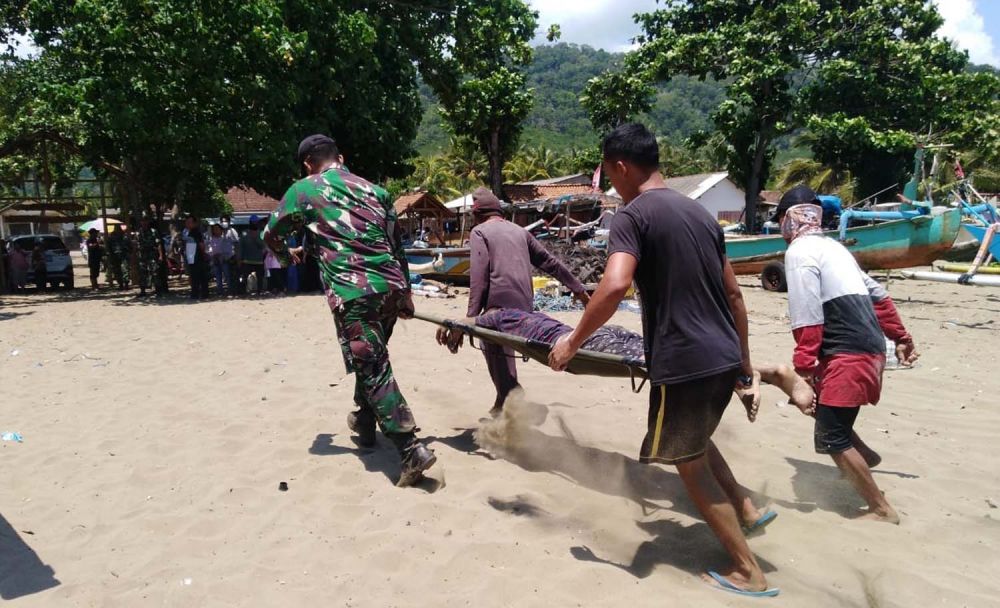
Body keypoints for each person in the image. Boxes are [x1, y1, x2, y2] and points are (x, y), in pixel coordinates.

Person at [548, 123, 777, 597]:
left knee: (685, 459)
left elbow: (614, 286)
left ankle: (747, 571)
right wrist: (744, 365)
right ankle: (748, 509)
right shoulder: (700, 215)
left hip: (685, 359)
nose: (612, 183)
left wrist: (571, 343)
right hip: (721, 353)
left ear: (621, 166)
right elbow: (734, 294)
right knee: (691, 439)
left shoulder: (633, 216)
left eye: (610, 174)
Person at [264, 134, 434, 487]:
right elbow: (394, 245)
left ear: (308, 163)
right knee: (369, 357)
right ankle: (365, 422)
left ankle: (409, 447)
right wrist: (405, 293)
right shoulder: (377, 191)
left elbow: (271, 234)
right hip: (389, 287)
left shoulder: (303, 190)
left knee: (372, 366)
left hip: (352, 291)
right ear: (340, 157)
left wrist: (287, 259)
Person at [773, 185, 919, 525]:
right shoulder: (834, 248)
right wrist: (900, 337)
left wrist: (804, 366)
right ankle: (865, 457)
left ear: (787, 220)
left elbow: (807, 312)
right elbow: (878, 296)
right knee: (830, 416)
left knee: (831, 437)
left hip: (846, 353)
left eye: (780, 221)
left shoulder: (799, 252)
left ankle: (880, 509)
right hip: (869, 349)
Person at [436, 308, 815, 420]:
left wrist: (452, 326)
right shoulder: (521, 314)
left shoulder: (497, 318)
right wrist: (455, 327)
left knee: (668, 363)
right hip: (594, 333)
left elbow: (475, 324)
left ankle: (759, 373)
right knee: (668, 355)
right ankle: (754, 372)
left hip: (580, 344)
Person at [466, 187, 590, 413]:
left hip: (497, 305)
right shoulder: (520, 232)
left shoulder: (479, 232)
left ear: (477, 215)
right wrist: (579, 289)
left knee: (493, 345)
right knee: (506, 349)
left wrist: (470, 319)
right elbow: (550, 262)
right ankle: (503, 400)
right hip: (524, 306)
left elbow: (479, 279)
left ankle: (510, 397)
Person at [180, 215, 210, 300]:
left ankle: (201, 293)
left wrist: (203, 254)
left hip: (197, 257)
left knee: (199, 276)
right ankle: (197, 293)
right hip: (190, 257)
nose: (188, 224)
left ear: (194, 223)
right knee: (193, 276)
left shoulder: (196, 232)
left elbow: (201, 244)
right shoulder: (187, 232)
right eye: (187, 222)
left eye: (190, 222)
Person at [136, 216, 163, 297]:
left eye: (146, 220)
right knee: (142, 273)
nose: (144, 222)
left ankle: (158, 291)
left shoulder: (153, 231)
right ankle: (143, 291)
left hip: (152, 254)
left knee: (155, 272)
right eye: (142, 221)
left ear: (148, 222)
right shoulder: (138, 233)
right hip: (142, 255)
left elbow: (158, 244)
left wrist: (160, 255)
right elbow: (136, 245)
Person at [239, 215, 266, 296]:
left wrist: (256, 238)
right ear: (250, 223)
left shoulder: (261, 233)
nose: (255, 224)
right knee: (245, 277)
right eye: (253, 222)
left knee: (260, 277)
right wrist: (240, 258)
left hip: (259, 260)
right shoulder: (244, 233)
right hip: (247, 260)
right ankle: (244, 292)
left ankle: (259, 291)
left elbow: (263, 246)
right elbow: (241, 246)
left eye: (256, 222)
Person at [207, 222, 234, 297]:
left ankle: (230, 290)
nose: (216, 231)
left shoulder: (225, 238)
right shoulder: (211, 239)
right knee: (218, 276)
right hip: (215, 259)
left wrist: (224, 256)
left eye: (217, 229)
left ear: (221, 230)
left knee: (227, 275)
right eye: (214, 229)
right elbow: (209, 249)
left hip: (224, 259)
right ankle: (220, 291)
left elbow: (229, 249)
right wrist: (213, 256)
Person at [106, 224, 131, 289]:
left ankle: (126, 284)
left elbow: (129, 245)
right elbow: (108, 246)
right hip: (115, 256)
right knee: (117, 270)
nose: (117, 229)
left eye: (118, 228)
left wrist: (129, 252)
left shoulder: (124, 236)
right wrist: (109, 254)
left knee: (125, 269)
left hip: (124, 255)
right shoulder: (111, 236)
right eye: (116, 228)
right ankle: (120, 284)